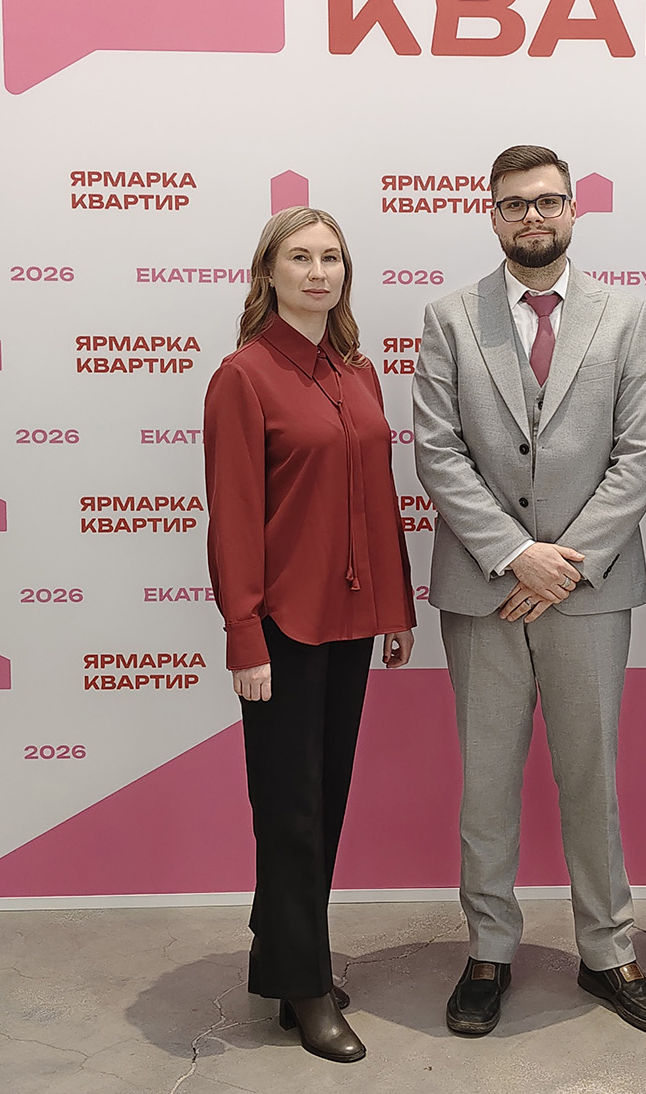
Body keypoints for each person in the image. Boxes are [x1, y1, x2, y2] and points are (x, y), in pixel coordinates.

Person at [413, 144, 646, 1036]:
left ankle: (608, 952)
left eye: (548, 200)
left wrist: (562, 562)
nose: (533, 215)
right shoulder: (450, 318)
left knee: (590, 778)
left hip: (588, 592)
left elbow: (641, 453)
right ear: (491, 214)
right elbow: (438, 451)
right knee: (486, 784)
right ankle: (489, 949)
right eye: (515, 203)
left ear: (572, 210)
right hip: (484, 590)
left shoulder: (625, 316)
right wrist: (514, 554)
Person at [203, 207, 415, 1063]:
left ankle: (285, 960)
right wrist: (243, 634)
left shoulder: (357, 372)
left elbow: (379, 496)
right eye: (300, 256)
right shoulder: (243, 376)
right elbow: (233, 518)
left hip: (353, 621)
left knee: (322, 803)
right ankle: (306, 986)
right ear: (269, 272)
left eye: (331, 257)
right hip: (283, 627)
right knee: (289, 811)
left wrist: (395, 607)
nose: (318, 271)